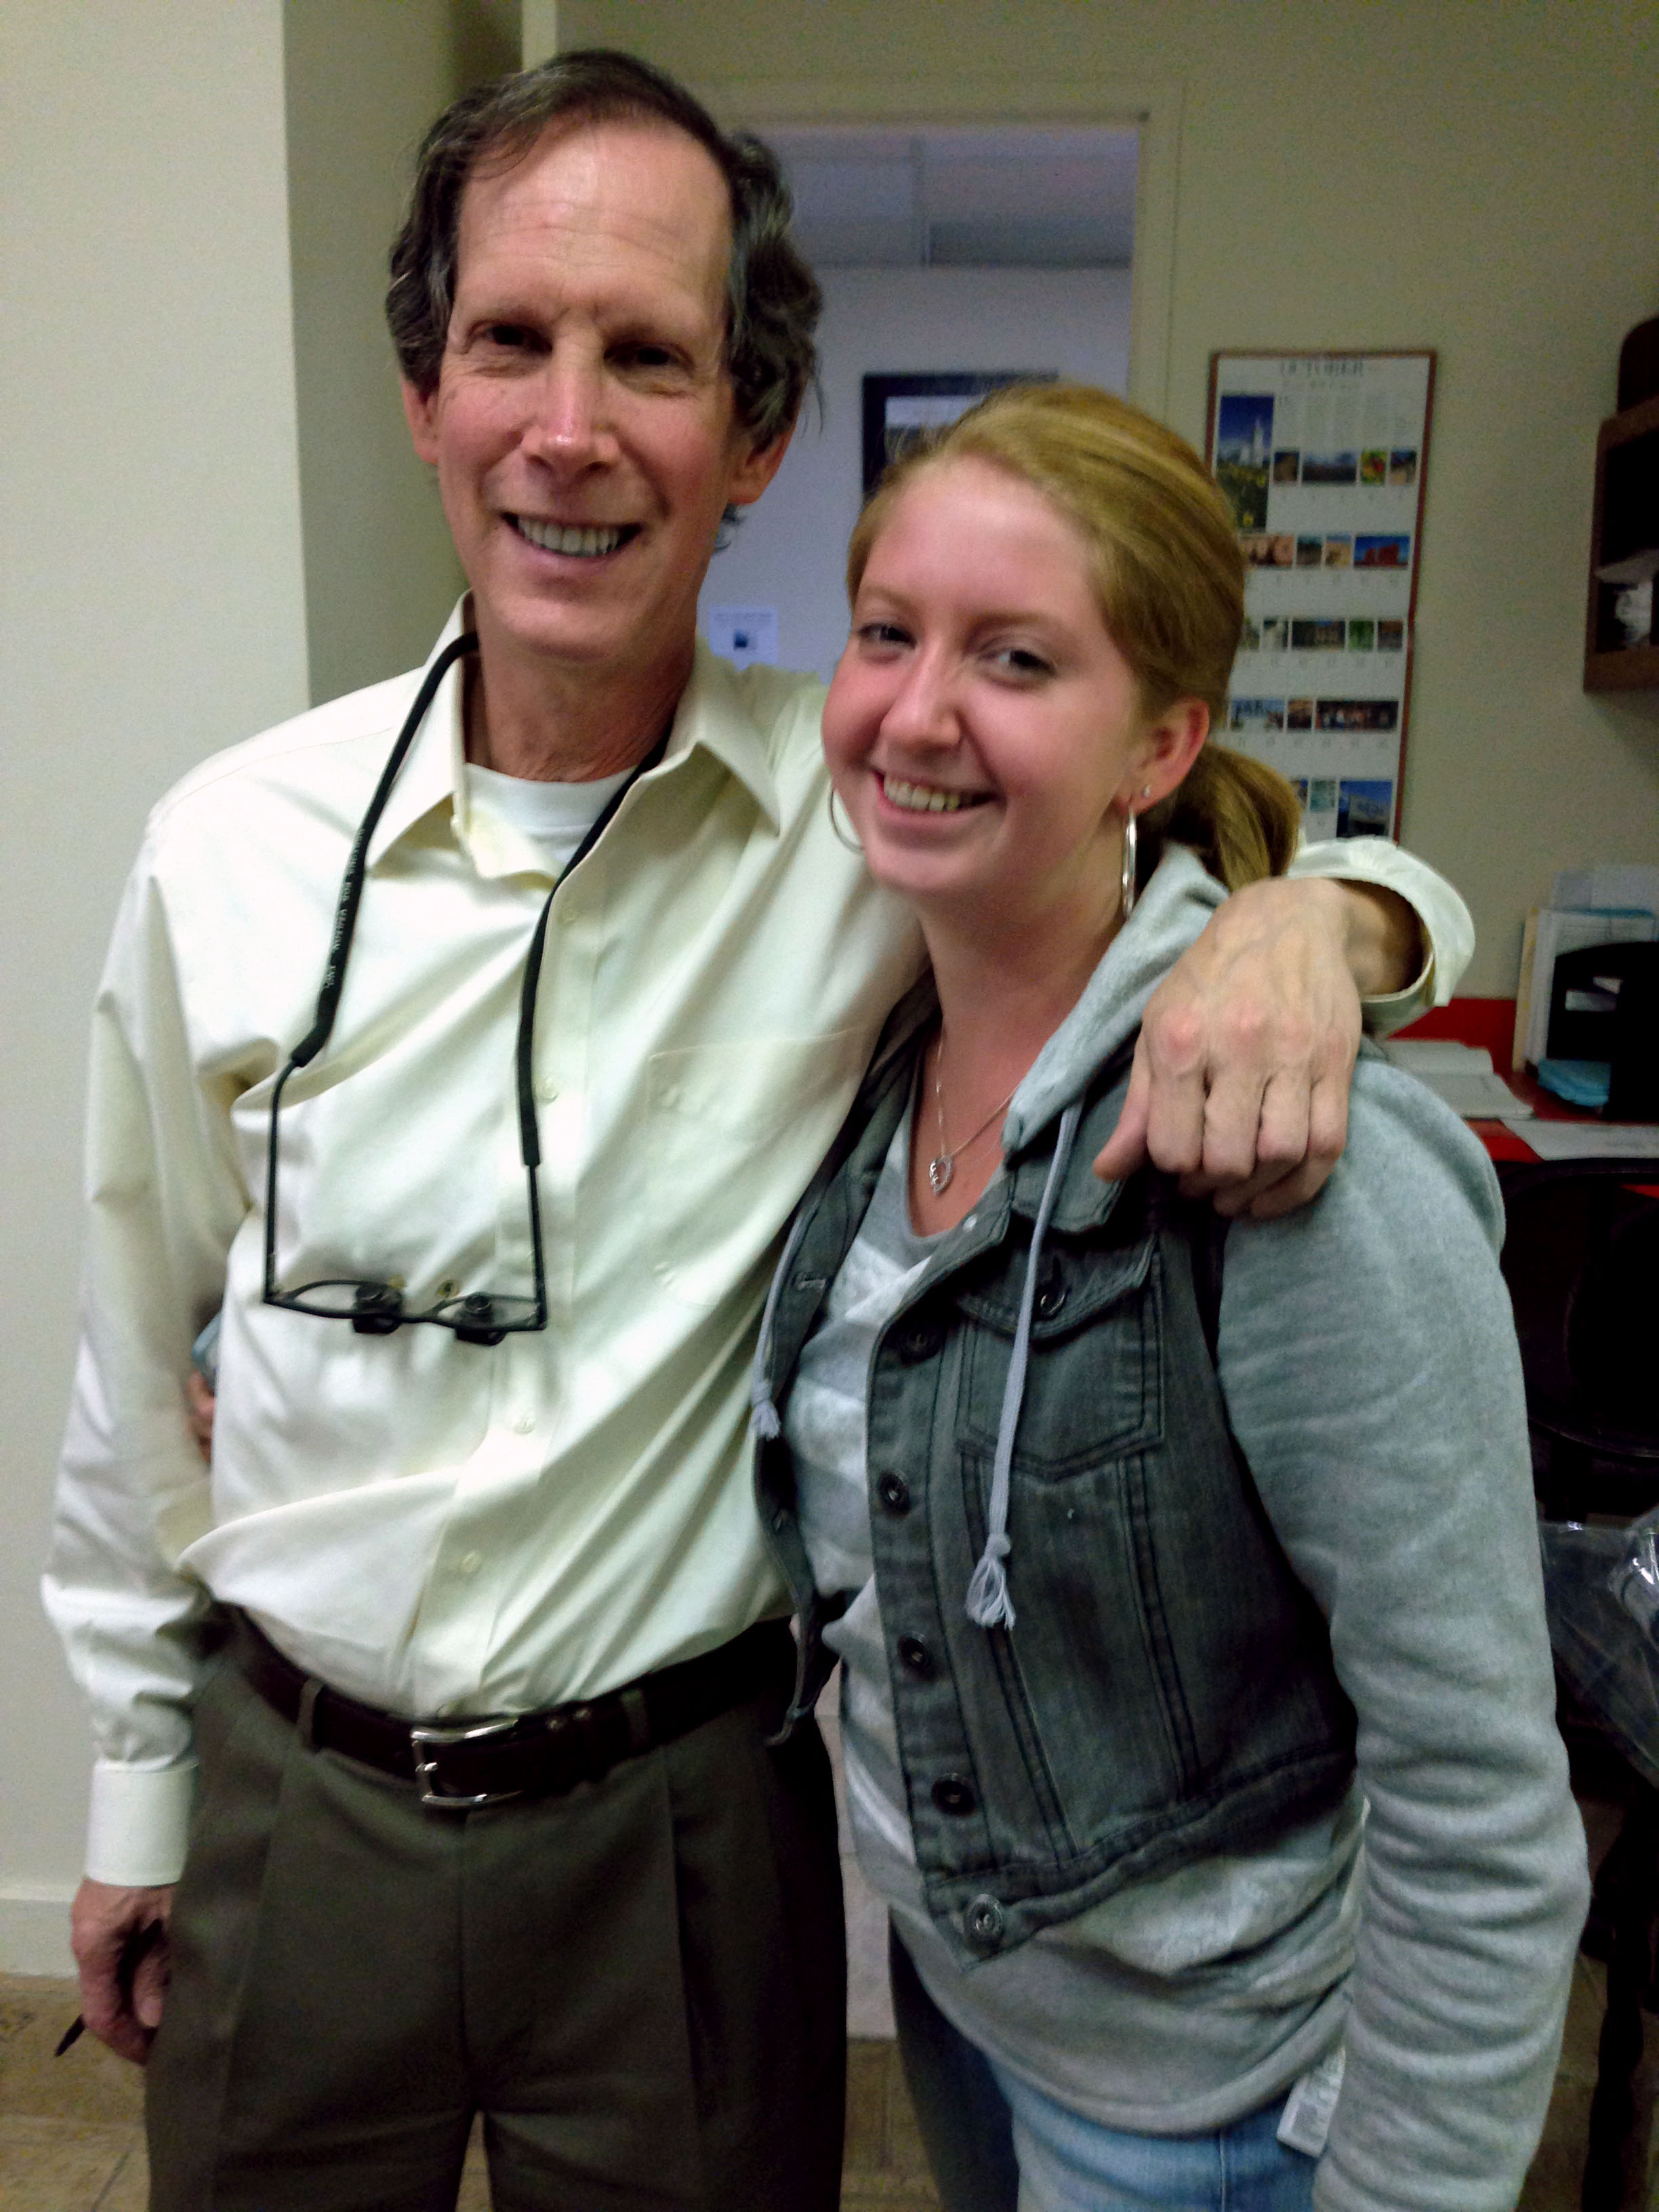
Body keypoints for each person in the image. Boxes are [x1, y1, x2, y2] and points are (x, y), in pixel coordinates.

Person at [43, 51, 1469, 2212]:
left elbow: (1150, 823)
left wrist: (1328, 917)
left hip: (683, 1829)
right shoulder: (229, 850)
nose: (571, 425)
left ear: (756, 434)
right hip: (293, 1794)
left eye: (652, 359)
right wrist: (141, 1788)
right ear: (424, 390)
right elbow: (130, 1353)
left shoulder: (873, 808)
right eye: (511, 341)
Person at [750, 384, 1586, 2212]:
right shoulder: (871, 1056)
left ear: (1160, 743)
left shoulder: (1291, 1163)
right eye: (888, 632)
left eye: (1020, 659)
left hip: (1210, 2111)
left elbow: (1485, 1811)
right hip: (966, 2011)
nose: (918, 710)